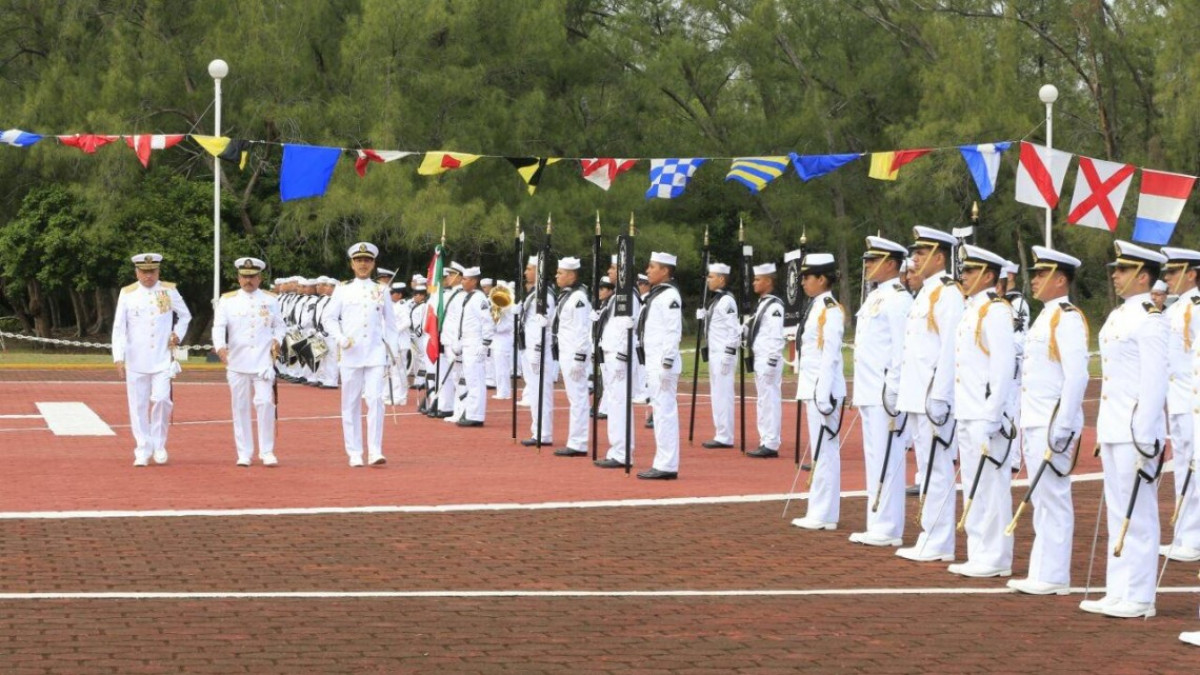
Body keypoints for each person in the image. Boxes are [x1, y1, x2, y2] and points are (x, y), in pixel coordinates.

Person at [1079, 240, 1168, 619]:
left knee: (1140, 513)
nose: (1114, 274)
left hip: (1135, 430)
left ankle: (1141, 596)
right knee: (1118, 510)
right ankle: (1119, 589)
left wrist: (1146, 434)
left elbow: (1155, 382)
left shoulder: (1150, 318)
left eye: (1122, 269)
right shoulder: (1119, 316)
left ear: (1142, 275)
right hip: (1114, 427)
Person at [1007, 245, 1087, 596]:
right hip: (1036, 419)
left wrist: (1064, 426)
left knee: (1053, 496)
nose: (1035, 280)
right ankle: (1043, 569)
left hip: (1052, 423)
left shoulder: (1066, 317)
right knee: (1042, 496)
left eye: (1042, 274)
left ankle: (1054, 574)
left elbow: (1077, 376)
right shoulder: (1046, 315)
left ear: (1060, 279)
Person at [943, 244, 1016, 578]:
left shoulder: (995, 310)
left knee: (991, 484)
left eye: (971, 271)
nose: (964, 277)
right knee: (973, 482)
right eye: (964, 271)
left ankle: (996, 555)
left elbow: (1002, 367)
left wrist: (992, 413)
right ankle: (978, 551)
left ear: (988, 275)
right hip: (968, 408)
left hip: (986, 413)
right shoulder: (971, 309)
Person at [894, 226, 964, 563]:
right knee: (927, 466)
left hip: (933, 398)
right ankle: (930, 535)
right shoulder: (925, 293)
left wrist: (940, 395)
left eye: (922, 254)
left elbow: (950, 347)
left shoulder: (947, 293)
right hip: (918, 396)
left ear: (939, 257)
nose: (915, 259)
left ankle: (939, 540)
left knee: (937, 468)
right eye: (915, 254)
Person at [849, 236, 913, 547]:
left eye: (873, 261)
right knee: (875, 459)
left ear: (890, 264)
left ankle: (888, 526)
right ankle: (876, 522)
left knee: (888, 458)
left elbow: (902, 348)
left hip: (885, 392)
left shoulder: (899, 298)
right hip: (870, 389)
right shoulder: (876, 296)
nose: (867, 266)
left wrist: (894, 390)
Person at [112, 252, 193, 467]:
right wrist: (118, 358)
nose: (149, 276)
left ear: (158, 271)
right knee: (138, 406)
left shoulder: (168, 290)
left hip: (161, 358)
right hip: (136, 359)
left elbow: (185, 315)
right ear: (137, 272)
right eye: (144, 272)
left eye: (153, 272)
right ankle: (142, 448)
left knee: (162, 400)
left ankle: (159, 444)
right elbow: (119, 328)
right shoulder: (127, 294)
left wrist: (177, 334)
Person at [324, 242, 399, 467]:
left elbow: (391, 325)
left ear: (373, 263)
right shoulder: (343, 289)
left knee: (376, 400)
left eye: (367, 260)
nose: (363, 264)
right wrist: (340, 338)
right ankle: (354, 452)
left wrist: (392, 354)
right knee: (351, 404)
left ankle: (375, 450)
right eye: (359, 261)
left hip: (375, 353)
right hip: (351, 354)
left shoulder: (381, 289)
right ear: (352, 264)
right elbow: (328, 318)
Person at [791, 252, 847, 530]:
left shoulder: (830, 309)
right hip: (814, 388)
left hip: (823, 390)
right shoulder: (816, 306)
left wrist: (823, 393)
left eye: (807, 277)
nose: (802, 282)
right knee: (821, 451)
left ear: (822, 279)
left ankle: (823, 512)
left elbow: (831, 355)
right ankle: (822, 511)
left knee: (825, 452)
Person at [212, 257, 286, 467]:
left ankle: (267, 450)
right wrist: (220, 346)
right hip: (237, 362)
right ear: (238, 277)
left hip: (263, 362)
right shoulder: (228, 300)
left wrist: (277, 340)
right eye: (244, 276)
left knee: (265, 403)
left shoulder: (271, 300)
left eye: (252, 276)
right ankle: (244, 452)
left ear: (260, 277)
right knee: (240, 407)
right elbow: (219, 326)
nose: (248, 280)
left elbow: (280, 326)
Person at [1160, 247, 1200, 562]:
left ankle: (1194, 538)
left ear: (1190, 273)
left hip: (1193, 401)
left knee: (1195, 469)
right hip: (1178, 399)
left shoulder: (1196, 307)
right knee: (1183, 469)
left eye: (1173, 272)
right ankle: (1184, 535)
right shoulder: (1175, 309)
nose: (1167, 278)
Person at [636, 251, 683, 479]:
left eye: (652, 266)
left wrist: (666, 363)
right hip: (654, 363)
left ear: (665, 270)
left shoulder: (669, 296)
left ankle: (667, 464)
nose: (647, 270)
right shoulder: (657, 295)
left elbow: (673, 332)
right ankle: (663, 461)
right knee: (660, 412)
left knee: (664, 413)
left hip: (663, 365)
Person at [595, 260, 642, 471]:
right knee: (614, 403)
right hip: (611, 355)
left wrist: (623, 355)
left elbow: (628, 327)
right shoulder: (617, 296)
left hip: (620, 357)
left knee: (620, 403)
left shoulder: (629, 296)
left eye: (613, 268)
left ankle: (623, 453)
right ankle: (617, 450)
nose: (609, 271)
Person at [552, 257, 593, 456]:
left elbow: (582, 330)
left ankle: (578, 442)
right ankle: (576, 439)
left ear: (571, 275)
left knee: (578, 398)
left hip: (574, 354)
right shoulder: (567, 296)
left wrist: (579, 357)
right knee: (574, 397)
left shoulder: (578, 298)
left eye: (560, 273)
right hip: (566, 352)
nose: (556, 276)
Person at [745, 263, 785, 458]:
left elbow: (777, 336)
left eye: (758, 279)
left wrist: (772, 361)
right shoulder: (763, 304)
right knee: (763, 400)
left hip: (768, 358)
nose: (754, 283)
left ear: (768, 282)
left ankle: (771, 442)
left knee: (769, 400)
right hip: (760, 357)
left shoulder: (774, 306)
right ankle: (765, 438)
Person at [699, 262, 740, 449]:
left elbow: (734, 331)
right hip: (715, 352)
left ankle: (725, 435)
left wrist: (729, 354)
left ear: (721, 279)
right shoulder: (716, 300)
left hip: (723, 354)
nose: (708, 280)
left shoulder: (727, 301)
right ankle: (720, 432)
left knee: (723, 394)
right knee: (716, 394)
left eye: (711, 276)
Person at [522, 255, 558, 446]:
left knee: (541, 393)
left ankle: (543, 433)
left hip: (539, 351)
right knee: (535, 392)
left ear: (538, 271)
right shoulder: (534, 294)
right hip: (529, 349)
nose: (525, 272)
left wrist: (536, 349)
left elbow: (544, 324)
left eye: (529, 269)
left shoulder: (546, 295)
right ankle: (538, 430)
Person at [452, 266, 492, 427]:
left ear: (474, 281)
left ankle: (476, 415)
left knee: (476, 379)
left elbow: (487, 321)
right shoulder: (467, 297)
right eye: (462, 279)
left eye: (466, 279)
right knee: (470, 379)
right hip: (467, 342)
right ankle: (471, 411)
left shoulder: (479, 298)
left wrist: (485, 343)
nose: (462, 282)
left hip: (476, 343)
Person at [431, 264, 464, 418]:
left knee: (460, 377)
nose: (448, 278)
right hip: (447, 341)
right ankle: (448, 407)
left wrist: (458, 341)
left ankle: (461, 410)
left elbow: (460, 321)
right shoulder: (449, 294)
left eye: (452, 275)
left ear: (459, 277)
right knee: (452, 376)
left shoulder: (462, 295)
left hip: (456, 342)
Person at [490, 281, 517, 400]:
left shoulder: (509, 307)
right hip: (497, 340)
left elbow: (511, 325)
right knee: (498, 367)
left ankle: (504, 392)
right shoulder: (500, 307)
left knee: (502, 368)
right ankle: (501, 390)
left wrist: (496, 327)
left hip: (504, 339)